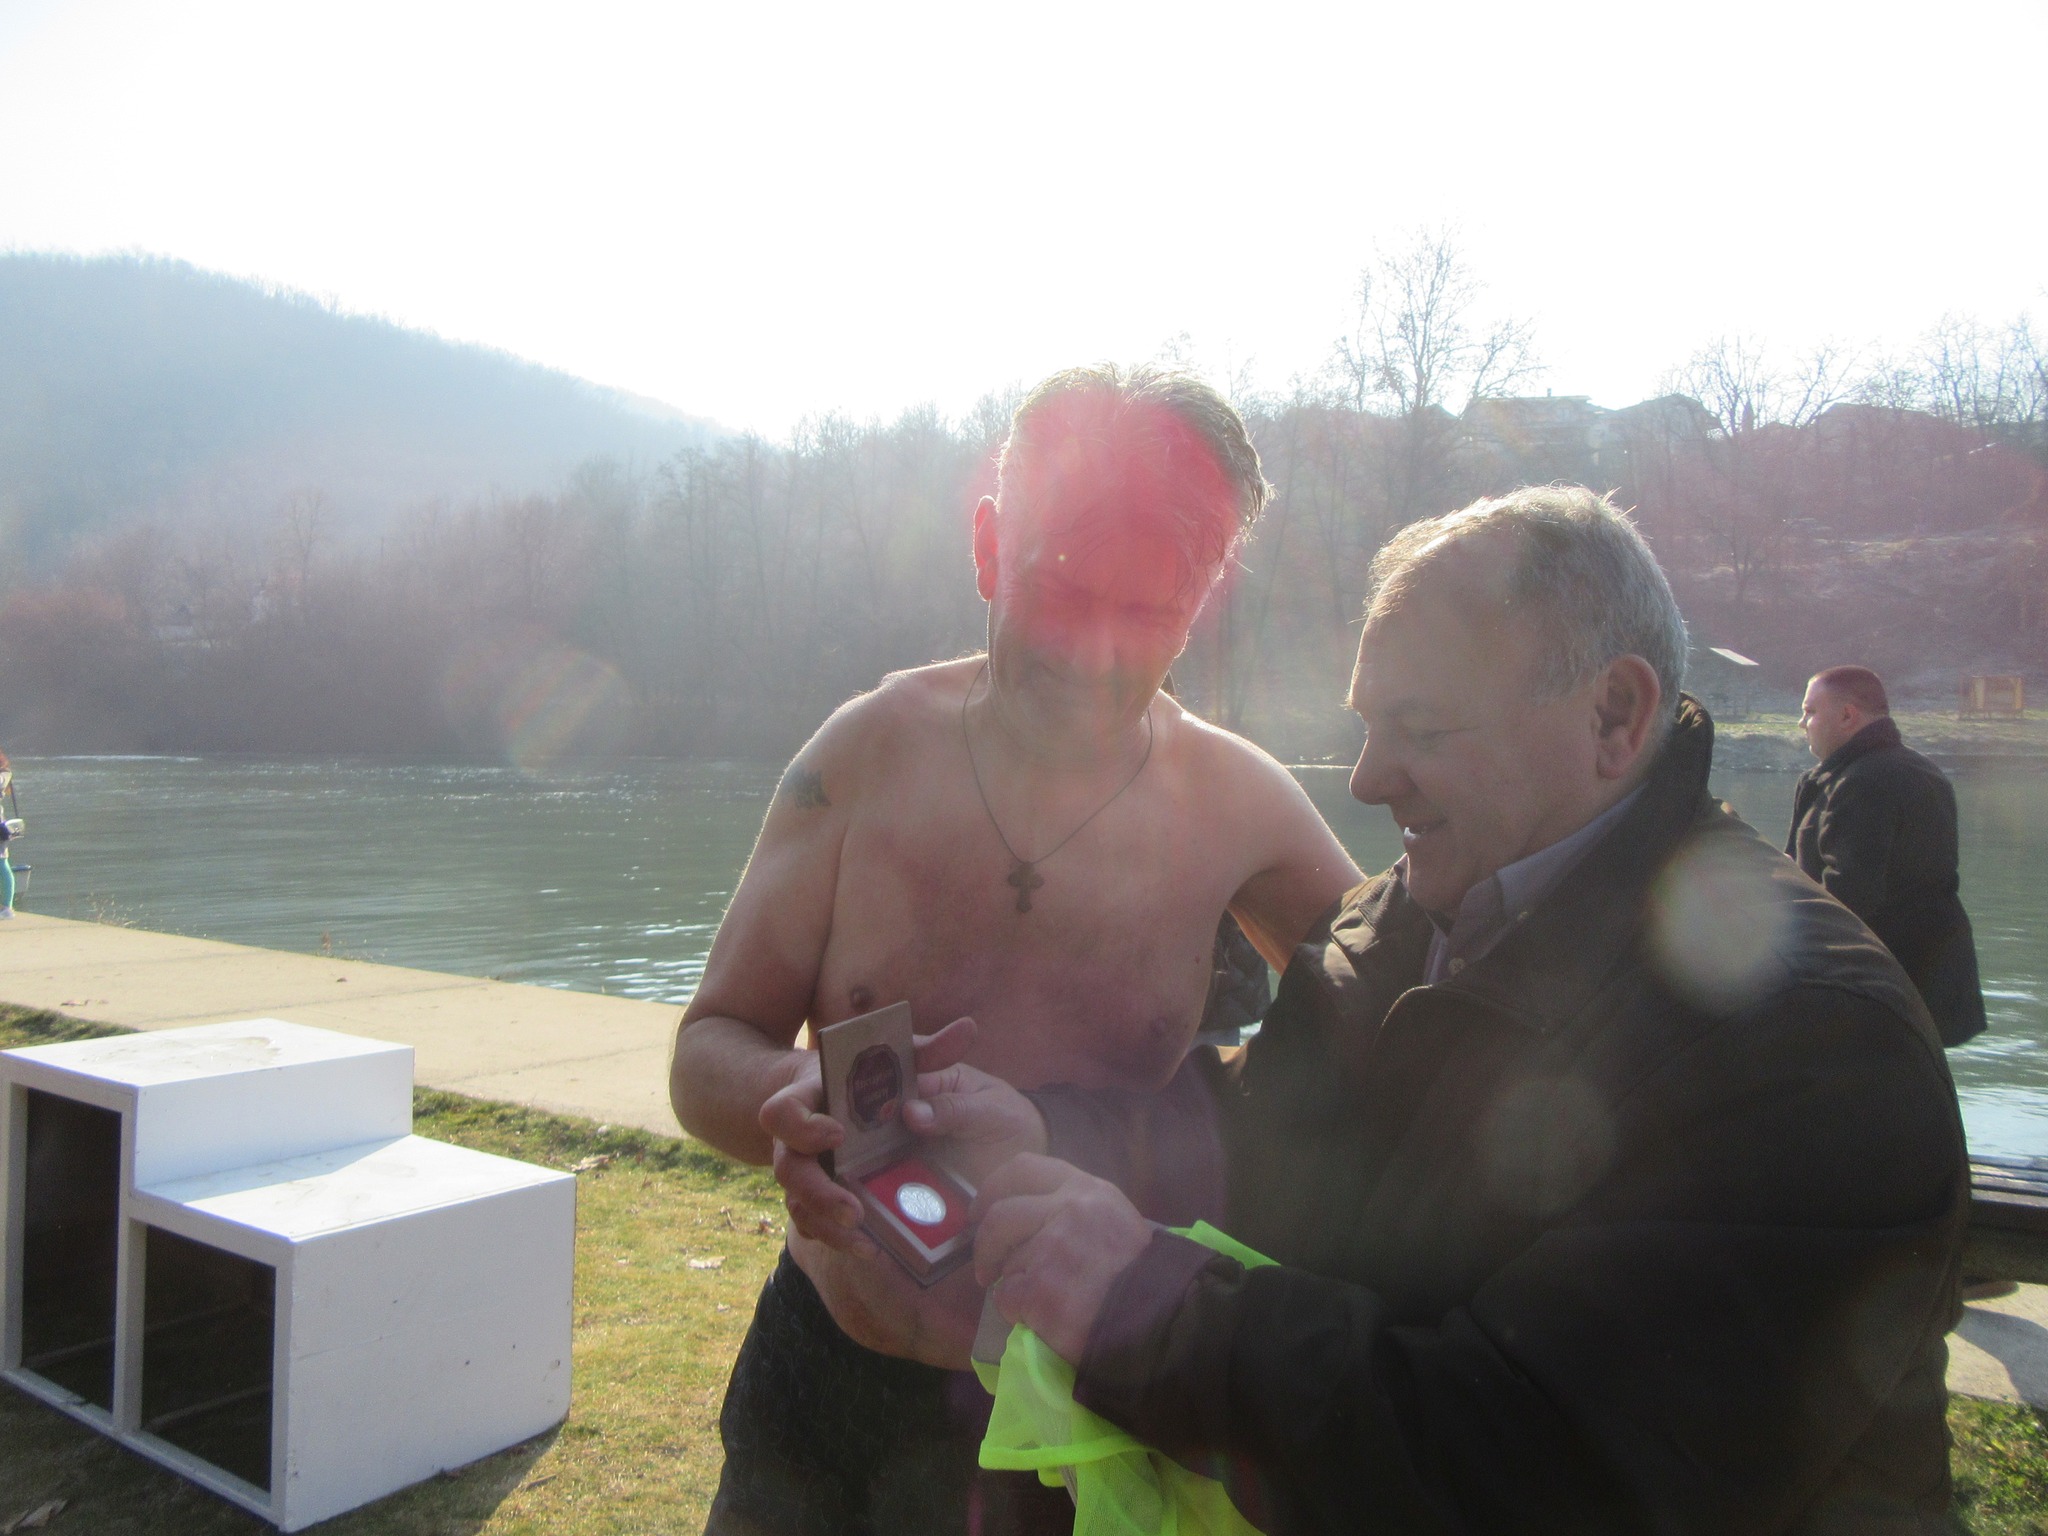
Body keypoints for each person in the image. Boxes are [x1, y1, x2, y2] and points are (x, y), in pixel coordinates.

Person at [972, 486, 1970, 1533]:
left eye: (1418, 728)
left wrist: (1147, 1311)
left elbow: (1535, 1467)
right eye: (1367, 726)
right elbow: (1264, 1126)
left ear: (1613, 716)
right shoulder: (1399, 916)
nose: (1365, 781)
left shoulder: (1811, 1043)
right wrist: (1045, 1130)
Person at [668, 365, 1361, 1535]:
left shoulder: (1239, 808)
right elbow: (707, 1050)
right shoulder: (861, 758)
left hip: (1070, 1415)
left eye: (1149, 612)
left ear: (1205, 597)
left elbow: (1409, 1031)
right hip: (819, 1382)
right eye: (1063, 587)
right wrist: (788, 1099)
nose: (1094, 653)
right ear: (989, 548)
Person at [1788, 665, 1986, 1047]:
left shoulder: (1860, 782)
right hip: (1931, 983)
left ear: (1848, 716)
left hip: (1876, 991)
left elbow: (1845, 900)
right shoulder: (1922, 769)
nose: (1802, 723)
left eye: (1810, 711)